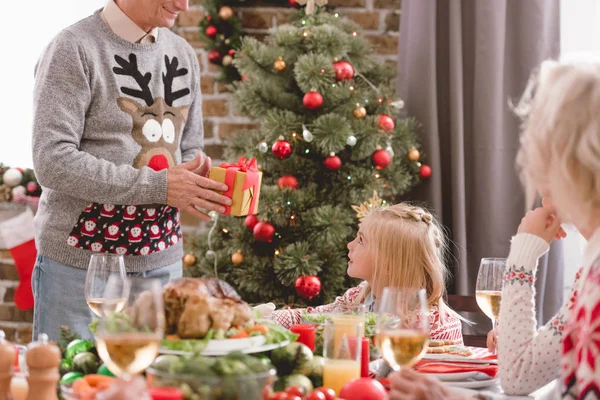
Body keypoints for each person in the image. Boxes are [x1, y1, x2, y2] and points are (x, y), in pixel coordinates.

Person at [389, 59, 600, 399]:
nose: (533, 173)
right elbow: (540, 382)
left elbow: (517, 375)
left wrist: (523, 254)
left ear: (571, 162)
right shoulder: (591, 269)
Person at [31, 0, 232, 342]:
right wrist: (159, 186)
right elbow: (52, 160)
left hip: (162, 263)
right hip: (80, 270)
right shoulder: (73, 47)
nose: (183, 5)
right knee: (70, 385)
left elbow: (189, 146)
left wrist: (197, 180)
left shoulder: (182, 53)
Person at [269, 203, 464, 345]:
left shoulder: (438, 326)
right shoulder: (357, 298)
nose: (349, 245)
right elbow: (307, 319)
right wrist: (261, 319)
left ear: (388, 263)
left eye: (361, 240)